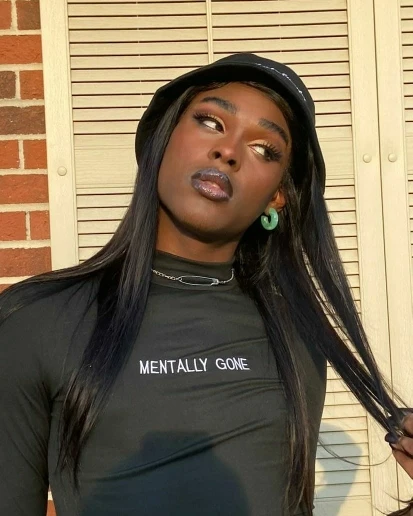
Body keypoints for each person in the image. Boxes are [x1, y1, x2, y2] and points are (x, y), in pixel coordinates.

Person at [0, 53, 410, 516]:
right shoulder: (33, 321)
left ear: (277, 195)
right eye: (211, 122)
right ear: (162, 140)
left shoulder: (294, 332)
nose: (229, 151)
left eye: (265, 150)